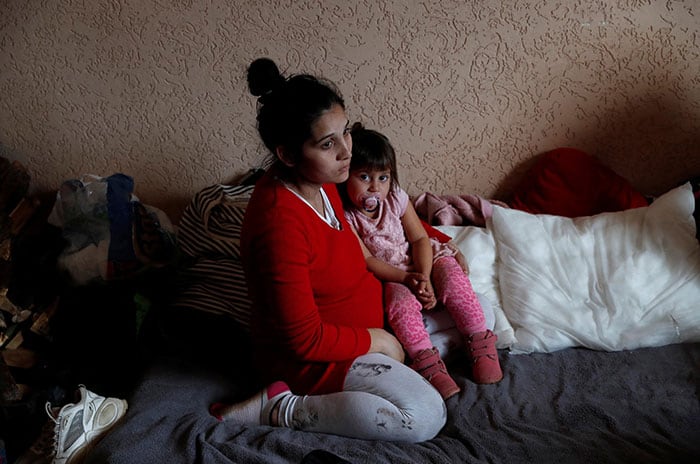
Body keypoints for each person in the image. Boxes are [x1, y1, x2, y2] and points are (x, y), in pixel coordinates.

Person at [208, 58, 446, 443]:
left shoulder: (324, 180)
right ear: (287, 155)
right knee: (423, 416)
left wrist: (441, 243)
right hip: (314, 359)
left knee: (477, 311)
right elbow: (303, 340)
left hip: (367, 324)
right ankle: (280, 406)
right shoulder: (278, 225)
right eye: (327, 143)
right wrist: (378, 341)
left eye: (345, 132)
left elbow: (391, 213)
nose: (346, 152)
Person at [339, 123, 502, 399]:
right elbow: (366, 259)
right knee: (399, 306)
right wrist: (406, 279)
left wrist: (424, 275)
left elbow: (419, 239)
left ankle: (480, 343)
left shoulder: (396, 199)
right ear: (346, 177)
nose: (374, 188)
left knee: (455, 281)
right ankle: (428, 364)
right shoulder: (347, 216)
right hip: (393, 273)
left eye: (383, 177)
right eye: (364, 177)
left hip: (424, 259)